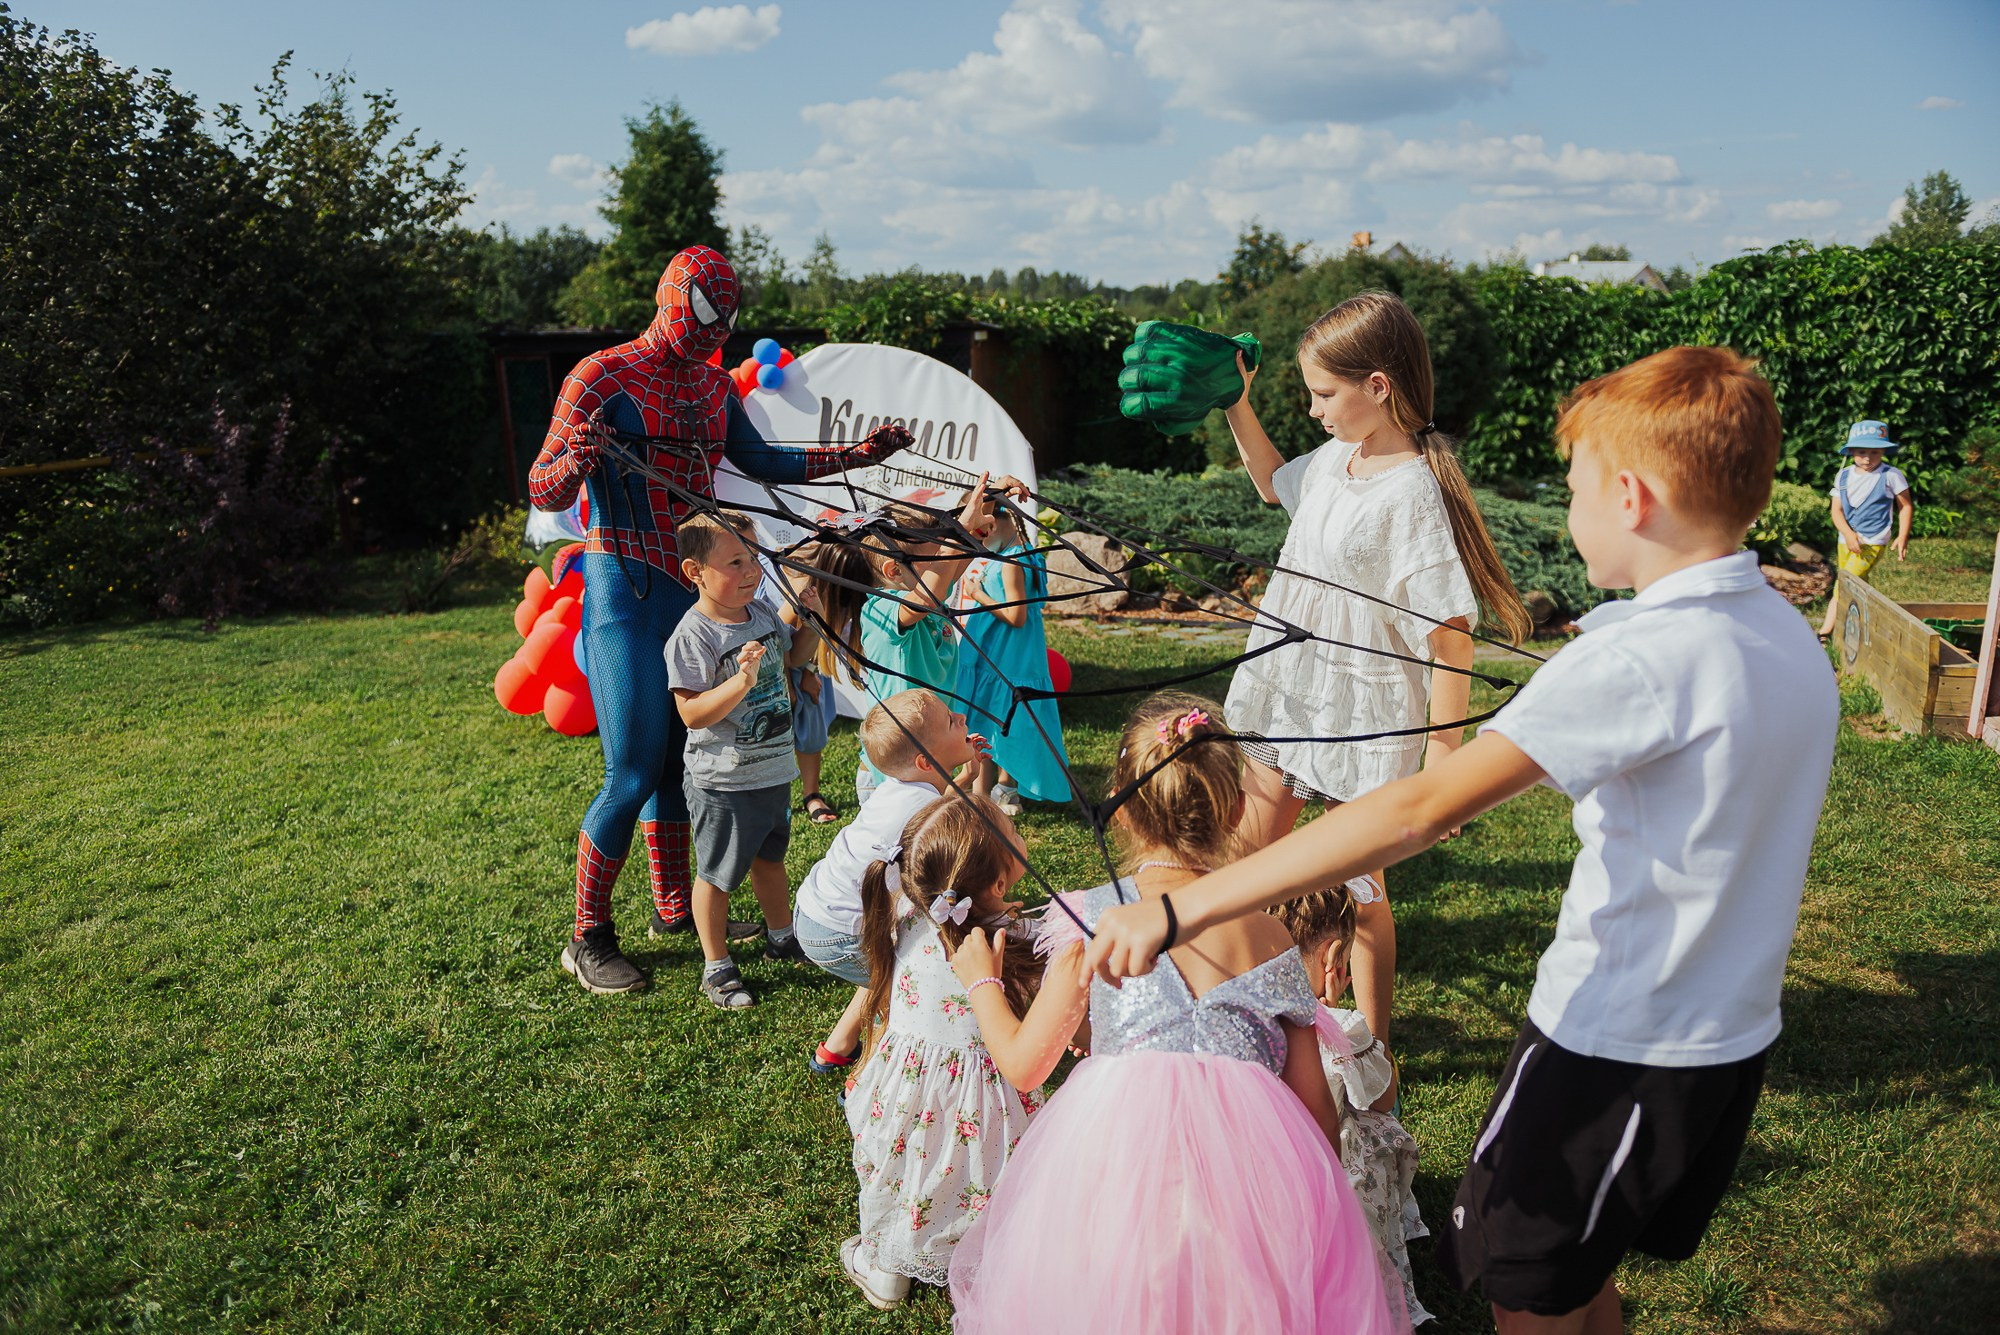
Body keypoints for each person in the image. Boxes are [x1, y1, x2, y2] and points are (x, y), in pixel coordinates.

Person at [1084, 347, 1840, 1335]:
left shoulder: (1636, 653)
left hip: (1614, 1047)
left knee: (1518, 1284)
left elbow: (1415, 811)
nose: (1565, 516)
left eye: (1571, 490)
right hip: (1720, 1043)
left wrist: (1181, 905)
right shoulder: (1783, 634)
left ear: (1629, 497)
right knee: (1571, 1270)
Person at [947, 691, 1402, 1335]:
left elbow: (1025, 1066)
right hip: (1249, 1187)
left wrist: (981, 983)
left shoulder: (1095, 921)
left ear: (1124, 813)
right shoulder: (1268, 936)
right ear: (1238, 808)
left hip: (1116, 1169)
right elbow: (1315, 1117)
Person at [532, 244, 911, 996]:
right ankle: (587, 935)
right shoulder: (599, 377)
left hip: (692, 591)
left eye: (725, 322)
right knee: (634, 768)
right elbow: (544, 485)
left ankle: (674, 907)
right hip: (624, 591)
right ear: (674, 300)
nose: (713, 334)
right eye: (706, 316)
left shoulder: (709, 387)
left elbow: (763, 461)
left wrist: (856, 455)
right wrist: (575, 456)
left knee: (684, 757)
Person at [1218, 290, 1532, 1051]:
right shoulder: (1332, 461)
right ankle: (1247, 1021)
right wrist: (1236, 403)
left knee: (1361, 895)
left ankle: (1372, 1048)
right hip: (1290, 693)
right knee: (1242, 868)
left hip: (1363, 718)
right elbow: (1270, 481)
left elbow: (1450, 632)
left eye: (1325, 393)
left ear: (1379, 387)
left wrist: (1446, 756)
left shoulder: (1414, 492)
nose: (1315, 409)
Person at [839, 794, 1071, 1310]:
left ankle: (885, 1269)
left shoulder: (905, 908)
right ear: (997, 884)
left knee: (903, 1175)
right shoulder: (1017, 936)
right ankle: (991, 1261)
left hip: (901, 1092)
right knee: (983, 1181)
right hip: (982, 1099)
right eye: (1008, 822)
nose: (1014, 820)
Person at [662, 512, 820, 1010]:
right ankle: (717, 967)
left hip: (772, 769)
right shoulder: (694, 636)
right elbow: (690, 712)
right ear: (695, 572)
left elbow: (793, 658)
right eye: (735, 561)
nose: (751, 570)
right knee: (717, 874)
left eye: (754, 558)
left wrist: (811, 622)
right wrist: (740, 683)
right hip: (724, 779)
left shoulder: (762, 613)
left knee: (770, 861)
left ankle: (781, 936)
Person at [795, 688, 988, 1077]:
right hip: (840, 931)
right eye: (952, 721)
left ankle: (836, 1048)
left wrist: (965, 776)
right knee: (905, 994)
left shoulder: (900, 788)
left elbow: (935, 806)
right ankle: (868, 1083)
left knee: (885, 967)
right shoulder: (919, 810)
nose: (963, 719)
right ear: (924, 760)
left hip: (815, 913)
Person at [1271, 882, 1435, 1326]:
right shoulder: (1343, 1028)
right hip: (1334, 1179)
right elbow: (1383, 1098)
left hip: (1269, 1169)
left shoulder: (1252, 1019)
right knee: (1379, 1130)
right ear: (1333, 960)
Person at [852, 481, 1014, 805]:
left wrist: (987, 507)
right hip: (891, 774)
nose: (944, 560)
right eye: (935, 556)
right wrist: (960, 533)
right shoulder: (880, 609)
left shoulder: (930, 598)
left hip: (925, 762)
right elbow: (929, 592)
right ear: (894, 570)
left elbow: (952, 566)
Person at [954, 503, 1070, 813]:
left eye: (985, 529)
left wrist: (979, 596)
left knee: (991, 719)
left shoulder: (1011, 560)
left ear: (1001, 521)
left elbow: (1016, 616)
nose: (981, 538)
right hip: (1015, 655)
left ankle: (985, 797)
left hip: (1003, 654)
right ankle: (1004, 788)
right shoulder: (1026, 552)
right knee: (1009, 720)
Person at [1816, 419, 1913, 640]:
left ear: (1883, 452)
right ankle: (1865, 629)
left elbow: (1905, 505)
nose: (1868, 458)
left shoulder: (1890, 475)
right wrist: (1848, 534)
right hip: (1845, 540)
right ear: (1851, 452)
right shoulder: (1844, 476)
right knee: (1859, 586)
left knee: (1845, 582)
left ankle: (1825, 633)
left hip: (1873, 540)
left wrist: (1902, 535)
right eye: (1861, 452)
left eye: (1875, 453)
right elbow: (1836, 511)